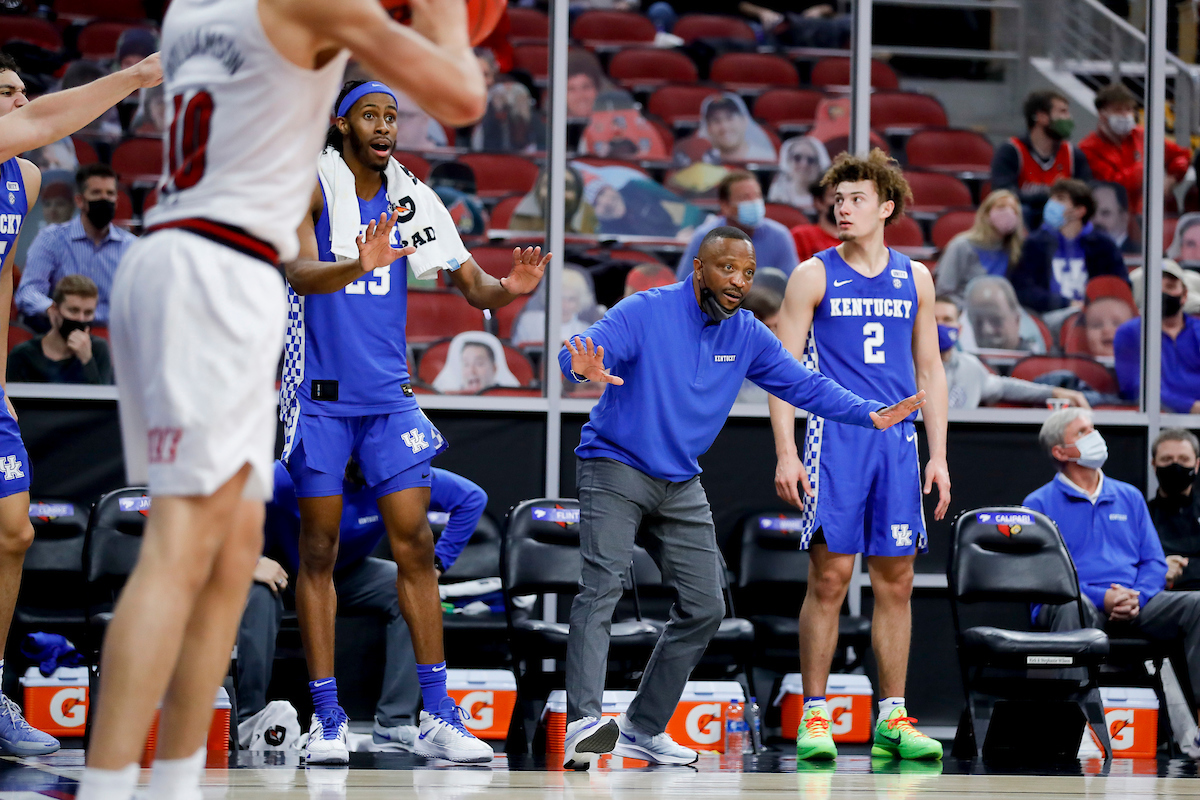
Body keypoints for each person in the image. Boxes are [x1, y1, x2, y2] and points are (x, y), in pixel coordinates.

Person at [77, 0, 489, 795]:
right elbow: (463, 95)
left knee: (229, 554)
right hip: (221, 269)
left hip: (173, 257)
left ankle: (172, 776)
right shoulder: (310, 11)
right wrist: (443, 16)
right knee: (185, 558)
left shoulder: (192, 11)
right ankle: (112, 782)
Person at [557, 225, 926, 770]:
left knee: (706, 607)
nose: (739, 281)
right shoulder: (646, 311)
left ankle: (642, 727)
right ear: (700, 269)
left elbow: (804, 384)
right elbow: (582, 352)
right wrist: (578, 367)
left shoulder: (748, 333)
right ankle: (586, 725)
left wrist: (866, 411)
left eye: (748, 273)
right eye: (728, 269)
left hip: (680, 479)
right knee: (602, 587)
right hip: (616, 465)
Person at [280, 79, 544, 765]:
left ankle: (438, 715)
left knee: (416, 550)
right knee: (319, 552)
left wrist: (507, 292)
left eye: (393, 116)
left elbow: (472, 284)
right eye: (371, 114)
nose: (385, 125)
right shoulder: (311, 185)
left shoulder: (412, 195)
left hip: (389, 400)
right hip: (320, 397)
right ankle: (330, 718)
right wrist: (355, 263)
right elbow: (298, 272)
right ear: (342, 125)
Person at [0, 48, 161, 758]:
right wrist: (134, 77)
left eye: (16, 92)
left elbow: (5, 280)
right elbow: (42, 117)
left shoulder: (26, 179)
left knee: (14, 533)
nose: (14, 102)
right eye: (0, 92)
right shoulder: (27, 138)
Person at [770, 150, 950, 762]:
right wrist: (786, 451)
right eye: (837, 200)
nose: (842, 209)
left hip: (898, 443)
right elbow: (782, 373)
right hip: (833, 437)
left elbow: (930, 368)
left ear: (886, 208)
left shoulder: (916, 278)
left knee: (896, 583)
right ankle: (815, 716)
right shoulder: (811, 274)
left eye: (855, 200)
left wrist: (939, 455)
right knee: (831, 576)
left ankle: (893, 718)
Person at [236, 460, 487, 755]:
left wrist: (436, 565)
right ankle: (249, 719)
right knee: (258, 591)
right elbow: (223, 501)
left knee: (411, 593)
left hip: (348, 574)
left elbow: (471, 498)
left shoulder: (398, 474)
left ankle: (393, 723)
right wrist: (250, 560)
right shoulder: (288, 474)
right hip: (283, 572)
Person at [1026, 409, 1200, 732]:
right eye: (1082, 432)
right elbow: (1046, 575)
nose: (1094, 436)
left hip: (1136, 602)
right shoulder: (1038, 505)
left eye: (1093, 428)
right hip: (1076, 603)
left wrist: (1137, 596)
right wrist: (1101, 597)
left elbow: (1155, 563)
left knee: (1197, 604)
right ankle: (1072, 731)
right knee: (1069, 607)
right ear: (1060, 452)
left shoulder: (1129, 497)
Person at [16, 163, 137, 329]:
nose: (104, 199)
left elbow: (138, 301)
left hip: (112, 335)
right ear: (80, 200)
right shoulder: (51, 239)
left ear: (116, 201)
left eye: (110, 193)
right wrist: (52, 309)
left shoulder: (131, 247)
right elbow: (28, 292)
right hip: (61, 329)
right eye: (96, 193)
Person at [935, 296, 1087, 409]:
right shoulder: (910, 368)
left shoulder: (971, 368)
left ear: (959, 329)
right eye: (933, 319)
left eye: (947, 319)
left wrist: (1054, 392)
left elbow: (1005, 387)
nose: (940, 326)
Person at [1009, 178, 1126, 322]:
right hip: (1045, 317)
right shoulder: (1034, 244)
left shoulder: (1103, 245)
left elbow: (1119, 285)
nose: (1051, 204)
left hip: (1093, 317)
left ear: (1079, 211)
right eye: (1051, 198)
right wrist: (1067, 304)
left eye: (1060, 199)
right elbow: (1023, 290)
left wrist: (1090, 306)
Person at [1079, 83, 1191, 216]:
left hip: (1154, 213)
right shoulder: (1088, 148)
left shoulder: (1142, 136)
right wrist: (1147, 167)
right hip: (1116, 215)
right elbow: (1114, 185)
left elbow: (1182, 156)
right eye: (1118, 110)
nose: (1125, 115)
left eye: (1129, 109)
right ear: (1102, 113)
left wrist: (1171, 178)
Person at [990, 90, 1092, 227]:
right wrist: (1051, 197)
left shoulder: (1073, 154)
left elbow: (1087, 193)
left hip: (1064, 225)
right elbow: (1003, 195)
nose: (1069, 118)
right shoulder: (1011, 151)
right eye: (1062, 112)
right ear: (1041, 117)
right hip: (1021, 226)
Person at [675, 170, 799, 280]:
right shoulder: (705, 238)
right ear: (725, 206)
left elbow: (793, 286)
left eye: (757, 196)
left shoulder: (780, 236)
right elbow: (686, 284)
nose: (754, 202)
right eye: (745, 197)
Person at [1113, 261, 1200, 413]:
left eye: (1170, 287)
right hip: (1152, 420)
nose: (1162, 293)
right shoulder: (1129, 333)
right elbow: (1136, 387)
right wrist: (1190, 407)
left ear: (1184, 294)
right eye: (1155, 287)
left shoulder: (1197, 330)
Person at [8, 275, 112, 384]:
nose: (81, 319)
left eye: (88, 313)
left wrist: (87, 360)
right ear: (54, 310)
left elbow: (102, 399)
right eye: (73, 310)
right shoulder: (24, 354)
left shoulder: (98, 350)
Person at [933, 190, 1025, 303]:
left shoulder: (1013, 250)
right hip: (963, 311)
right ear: (986, 214)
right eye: (1001, 207)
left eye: (1014, 210)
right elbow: (944, 292)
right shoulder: (961, 245)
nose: (1008, 213)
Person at [1146, 429, 1200, 592]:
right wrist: (1158, 571)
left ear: (1196, 465)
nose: (1175, 465)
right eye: (1167, 459)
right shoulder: (1140, 515)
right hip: (1160, 599)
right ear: (1154, 465)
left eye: (1184, 459)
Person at [512, 265, 601, 346]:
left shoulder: (586, 330)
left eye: (571, 299)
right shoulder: (529, 322)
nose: (565, 305)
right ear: (550, 297)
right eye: (560, 298)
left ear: (580, 302)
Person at [961, 275, 1047, 353]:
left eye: (996, 320)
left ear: (1017, 320)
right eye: (978, 322)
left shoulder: (1038, 365)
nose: (986, 330)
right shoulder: (965, 365)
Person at [692, 93, 776, 165]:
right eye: (716, 121)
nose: (724, 127)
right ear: (708, 128)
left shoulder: (765, 159)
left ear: (745, 121)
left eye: (730, 118)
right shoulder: (699, 162)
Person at [431, 331, 521, 394]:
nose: (471, 371)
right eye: (466, 364)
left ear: (494, 369)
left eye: (479, 363)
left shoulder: (506, 398)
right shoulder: (449, 398)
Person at [768, 136, 831, 212]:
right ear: (788, 161)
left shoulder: (826, 195)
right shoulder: (779, 193)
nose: (804, 164)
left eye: (810, 160)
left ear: (819, 165)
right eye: (797, 158)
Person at [791, 181, 841, 262]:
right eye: (836, 197)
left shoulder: (861, 238)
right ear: (818, 202)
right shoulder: (801, 236)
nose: (842, 203)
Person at [1091, 182, 1139, 256]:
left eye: (1105, 213)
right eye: (1092, 213)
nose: (1097, 220)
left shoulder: (1137, 254)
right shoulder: (1082, 249)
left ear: (1124, 217)